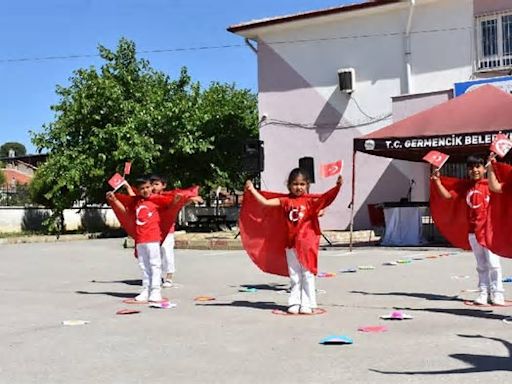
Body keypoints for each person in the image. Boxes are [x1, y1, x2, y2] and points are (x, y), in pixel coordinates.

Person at [241, 168, 342, 314]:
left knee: (307, 274)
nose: (298, 187)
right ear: (289, 185)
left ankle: (308, 304)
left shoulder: (310, 201)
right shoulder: (285, 201)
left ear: (307, 185)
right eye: (295, 184)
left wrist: (337, 187)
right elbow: (265, 202)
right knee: (294, 275)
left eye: (302, 184)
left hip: (306, 244)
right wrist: (252, 189)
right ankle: (294, 303)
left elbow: (326, 199)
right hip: (290, 243)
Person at [431, 155, 504, 305]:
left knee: (494, 263)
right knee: (481, 265)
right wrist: (437, 181)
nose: (474, 170)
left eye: (478, 167)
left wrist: (493, 165)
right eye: (471, 167)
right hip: (473, 232)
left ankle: (497, 294)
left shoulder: (491, 185)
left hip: (490, 231)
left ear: (484, 168)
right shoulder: (465, 187)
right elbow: (447, 196)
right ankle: (483, 293)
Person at [107, 176, 180, 303]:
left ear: (151, 187)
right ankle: (146, 290)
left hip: (153, 238)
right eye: (142, 188)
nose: (145, 190)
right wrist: (114, 200)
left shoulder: (157, 200)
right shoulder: (136, 202)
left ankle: (156, 290)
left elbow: (170, 207)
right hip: (140, 239)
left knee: (155, 265)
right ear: (139, 190)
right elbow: (125, 211)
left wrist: (178, 201)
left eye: (147, 187)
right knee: (143, 266)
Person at [150, 175, 203, 288]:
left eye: (156, 184)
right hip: (154, 229)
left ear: (163, 185)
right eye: (152, 184)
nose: (153, 187)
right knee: (155, 254)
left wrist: (190, 199)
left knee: (166, 251)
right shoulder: (149, 197)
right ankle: (157, 276)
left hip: (168, 229)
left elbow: (179, 203)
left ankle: (169, 277)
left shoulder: (168, 196)